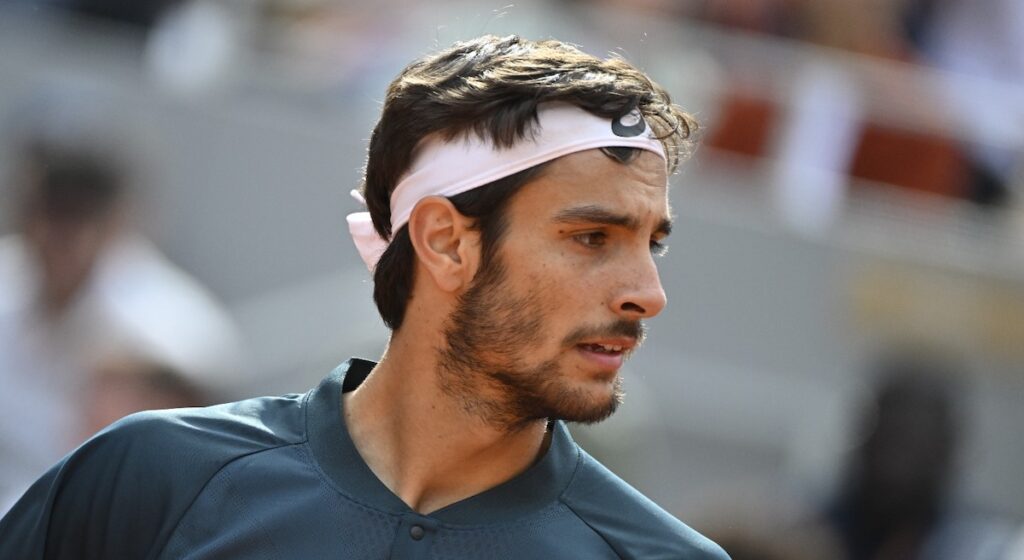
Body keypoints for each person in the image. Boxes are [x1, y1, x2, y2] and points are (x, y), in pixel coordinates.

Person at [0, 34, 729, 559]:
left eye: (653, 243)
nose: (648, 294)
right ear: (446, 242)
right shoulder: (149, 475)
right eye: (593, 237)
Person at [0, 137, 240, 514]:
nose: (59, 235)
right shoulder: (8, 280)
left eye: (77, 217)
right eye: (49, 211)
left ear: (113, 223)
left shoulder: (172, 327)